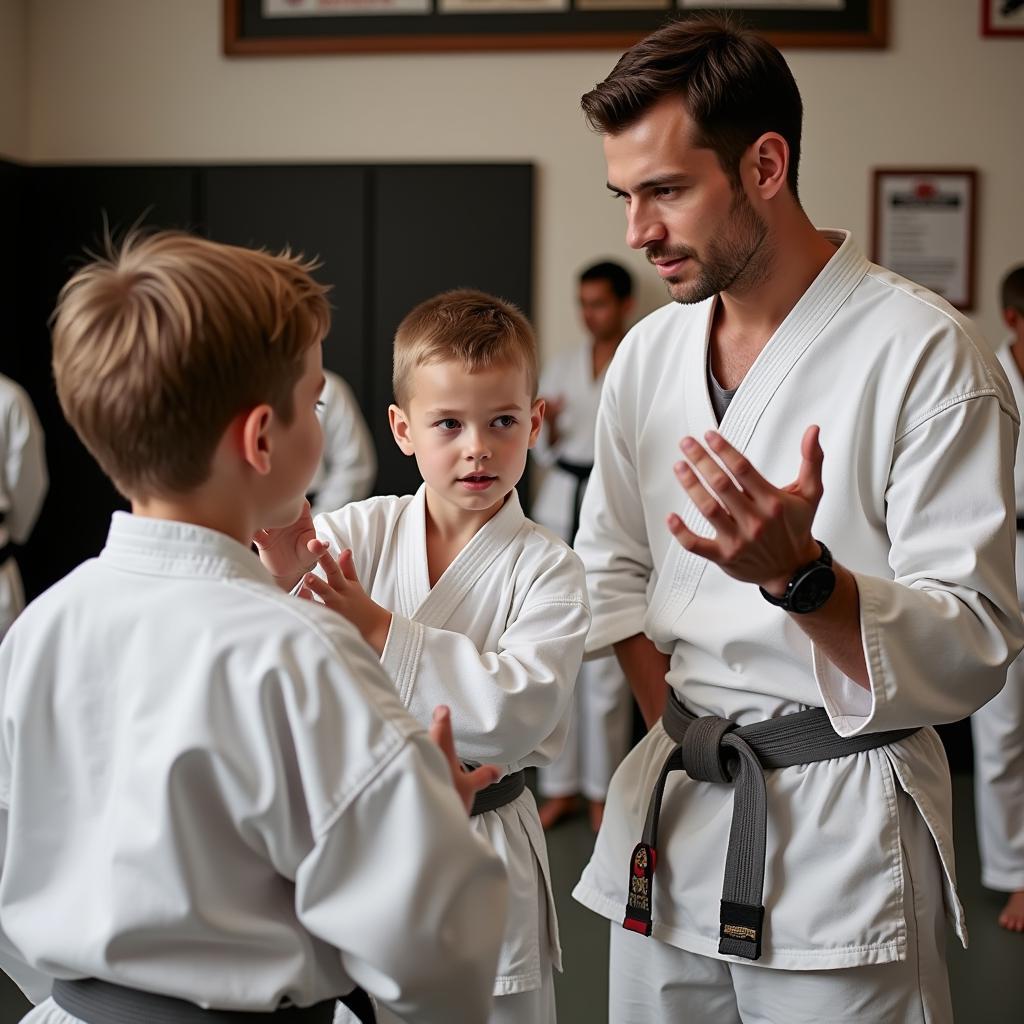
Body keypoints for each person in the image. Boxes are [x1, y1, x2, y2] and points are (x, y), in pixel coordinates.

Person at [569, 16, 1024, 1024]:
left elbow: (977, 643)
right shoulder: (646, 357)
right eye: (624, 196)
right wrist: (680, 728)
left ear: (764, 163)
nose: (637, 231)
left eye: (666, 190)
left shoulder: (923, 353)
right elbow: (610, 571)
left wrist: (805, 580)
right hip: (676, 804)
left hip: (841, 828)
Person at [0, 231, 508, 1024]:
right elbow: (430, 942)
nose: (321, 416)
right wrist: (433, 821)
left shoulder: (40, 629)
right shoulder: (305, 650)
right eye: (314, 402)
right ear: (262, 439)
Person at [259, 289, 590, 1024]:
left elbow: (515, 710)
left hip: (484, 840)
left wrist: (380, 630)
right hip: (357, 832)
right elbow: (263, 647)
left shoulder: (550, 568)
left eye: (502, 421)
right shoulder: (360, 532)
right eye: (448, 424)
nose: (478, 447)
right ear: (404, 430)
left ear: (535, 423)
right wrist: (279, 577)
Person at [532, 261, 635, 833]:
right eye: (583, 303)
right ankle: (562, 786)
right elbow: (540, 450)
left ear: (621, 304)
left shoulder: (642, 355)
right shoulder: (564, 363)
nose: (589, 313)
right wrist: (547, 427)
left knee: (605, 663)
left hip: (612, 505)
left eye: (598, 303)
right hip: (560, 503)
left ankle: (604, 793)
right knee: (557, 648)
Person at [971, 263, 1024, 933]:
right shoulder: (982, 377)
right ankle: (1015, 873)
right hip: (1000, 549)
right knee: (1003, 722)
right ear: (1013, 318)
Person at [0, 373, 48, 640]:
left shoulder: (9, 399)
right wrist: (17, 530)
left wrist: (16, 531)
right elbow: (28, 485)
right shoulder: (8, 398)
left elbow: (30, 482)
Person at [307, 369, 376, 518]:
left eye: (314, 407)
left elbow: (354, 468)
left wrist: (318, 521)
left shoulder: (328, 388)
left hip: (317, 512)